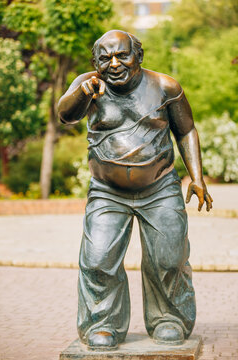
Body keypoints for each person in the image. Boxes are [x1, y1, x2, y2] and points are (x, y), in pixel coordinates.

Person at [58, 30, 213, 351]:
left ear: (138, 56)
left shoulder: (165, 87)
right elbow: (65, 114)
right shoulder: (88, 84)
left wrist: (197, 177)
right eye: (105, 58)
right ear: (96, 62)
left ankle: (169, 319)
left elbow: (186, 131)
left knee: (169, 257)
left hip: (160, 187)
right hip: (106, 191)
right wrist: (83, 94)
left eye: (122, 56)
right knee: (98, 259)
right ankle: (102, 324)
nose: (114, 64)